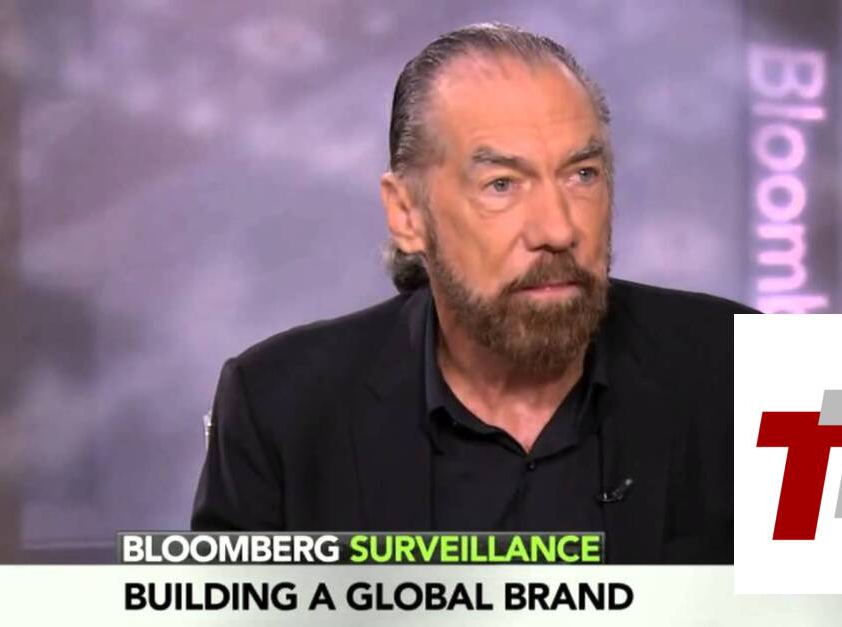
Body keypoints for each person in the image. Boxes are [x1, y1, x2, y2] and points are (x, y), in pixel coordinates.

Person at [191, 22, 754, 564]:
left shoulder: (751, 373)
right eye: (502, 184)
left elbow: (811, 605)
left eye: (582, 174)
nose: (558, 229)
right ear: (407, 213)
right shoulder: (281, 411)